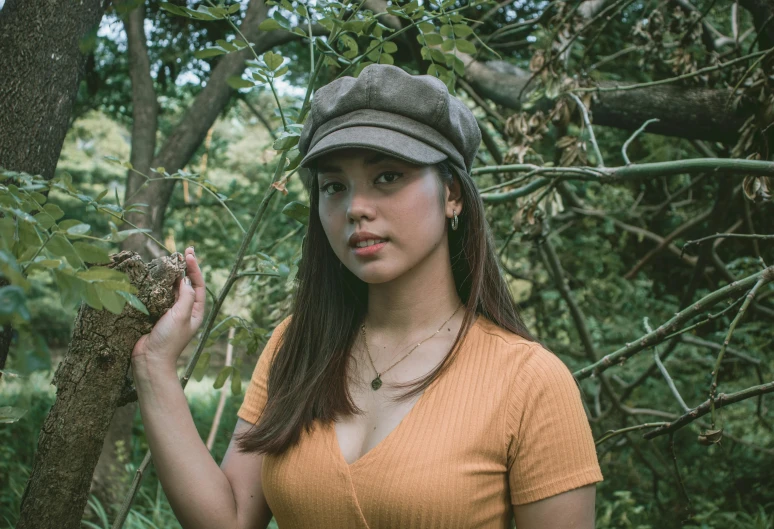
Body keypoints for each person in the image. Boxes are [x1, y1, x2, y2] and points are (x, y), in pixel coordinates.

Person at [131, 64, 603, 529]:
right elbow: (231, 521)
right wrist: (155, 365)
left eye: (388, 177)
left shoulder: (531, 383)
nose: (356, 207)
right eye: (334, 186)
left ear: (452, 192)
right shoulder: (295, 345)